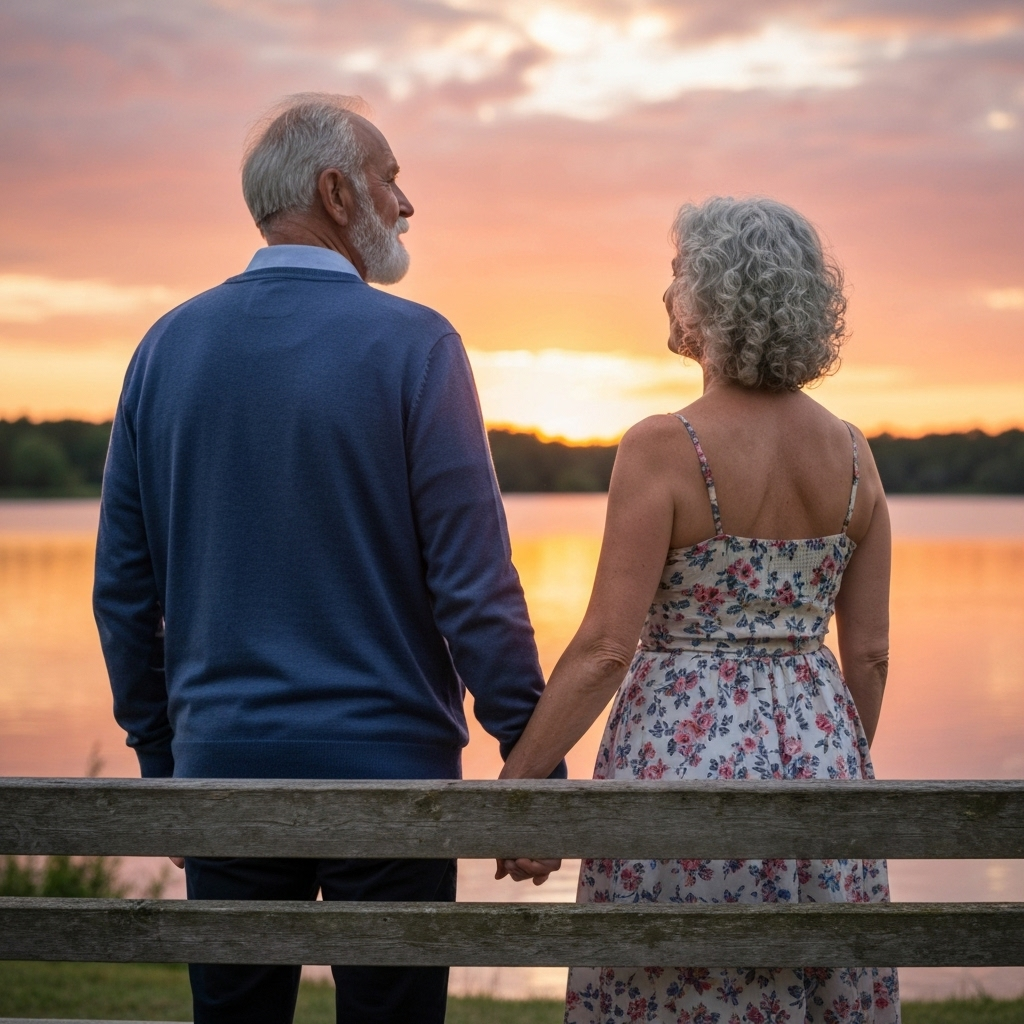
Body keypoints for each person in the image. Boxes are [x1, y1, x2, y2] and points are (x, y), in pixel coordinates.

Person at [93, 93, 564, 1024]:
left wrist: (165, 769)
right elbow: (473, 588)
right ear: (338, 191)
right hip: (391, 781)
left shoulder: (164, 349)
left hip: (221, 772)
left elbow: (122, 596)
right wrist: (532, 758)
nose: (407, 202)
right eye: (392, 177)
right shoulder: (417, 345)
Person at [499, 196, 901, 1023]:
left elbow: (608, 647)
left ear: (718, 298)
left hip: (679, 763)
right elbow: (869, 656)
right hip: (823, 764)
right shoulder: (856, 455)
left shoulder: (663, 447)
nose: (665, 292)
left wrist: (519, 786)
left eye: (679, 273)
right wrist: (828, 758)